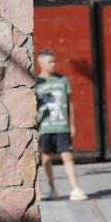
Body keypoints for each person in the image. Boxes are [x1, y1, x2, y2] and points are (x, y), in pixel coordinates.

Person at [34, 51, 88, 201]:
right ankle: (52, 189)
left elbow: (70, 103)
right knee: (46, 158)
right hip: (45, 127)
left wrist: (72, 125)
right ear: (41, 64)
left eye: (54, 61)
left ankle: (75, 188)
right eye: (50, 62)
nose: (54, 64)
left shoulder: (62, 80)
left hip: (61, 126)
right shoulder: (37, 82)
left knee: (67, 156)